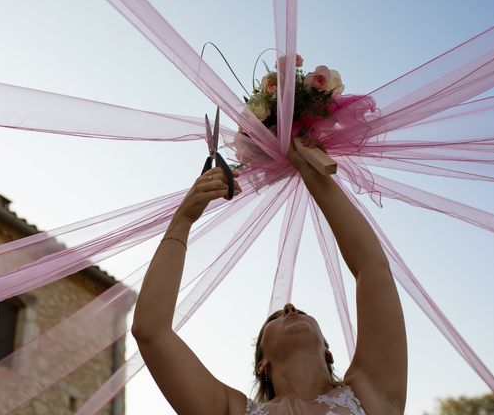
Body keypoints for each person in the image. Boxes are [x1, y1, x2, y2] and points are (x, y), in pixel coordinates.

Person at [131, 139, 407, 415]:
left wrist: (304, 164)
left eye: (290, 311)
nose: (290, 307)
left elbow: (371, 268)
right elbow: (151, 330)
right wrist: (183, 219)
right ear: (262, 365)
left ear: (328, 352)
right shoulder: (230, 410)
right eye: (274, 318)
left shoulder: (371, 391)